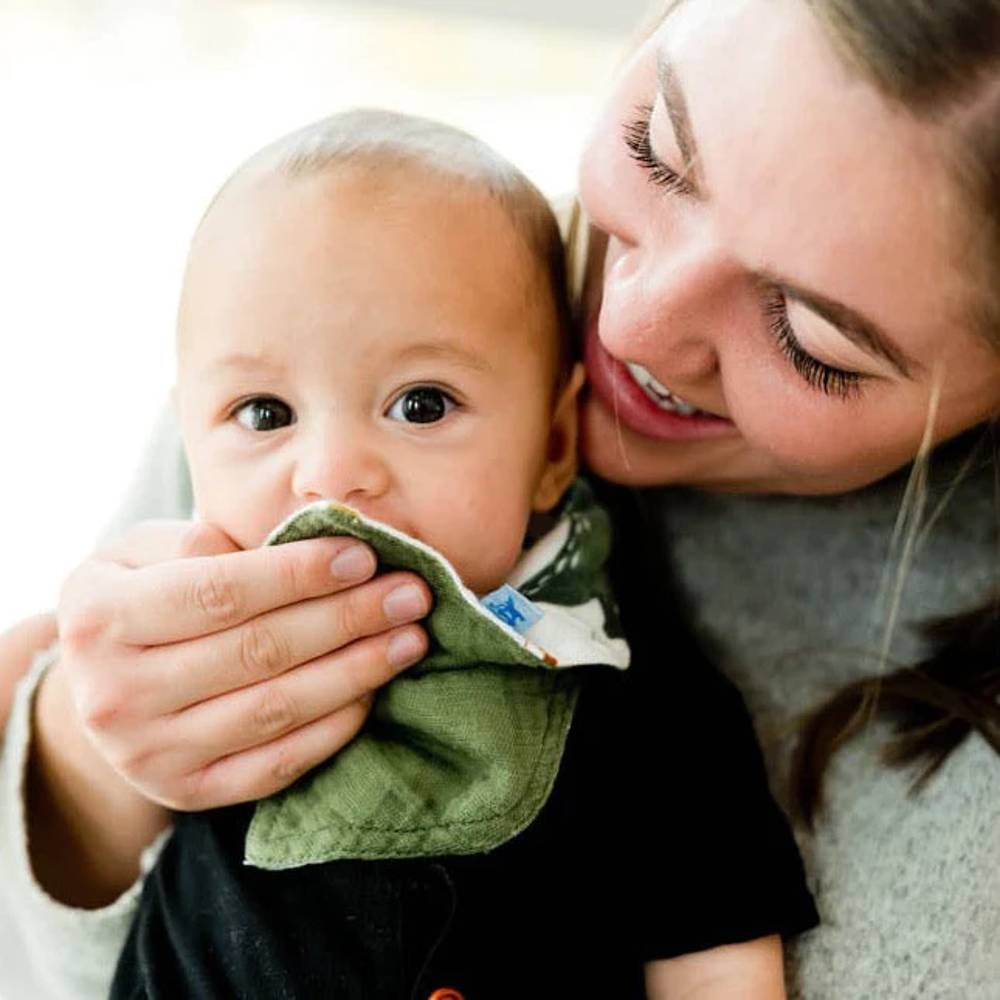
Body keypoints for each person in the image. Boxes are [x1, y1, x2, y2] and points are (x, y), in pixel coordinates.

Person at [4, 0, 1000, 996]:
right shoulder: (325, 290)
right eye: (658, 147)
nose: (629, 322)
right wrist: (86, 759)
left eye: (808, 340)